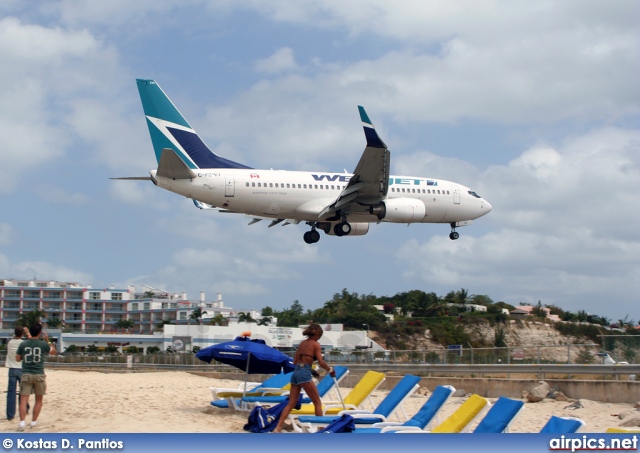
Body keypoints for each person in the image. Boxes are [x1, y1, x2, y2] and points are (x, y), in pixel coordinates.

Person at [273, 323, 334, 433]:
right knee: (317, 402)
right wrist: (330, 370)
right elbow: (321, 362)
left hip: (296, 372)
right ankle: (321, 429)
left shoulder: (302, 343)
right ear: (317, 335)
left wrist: (311, 369)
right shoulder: (316, 345)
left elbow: (296, 361)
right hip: (304, 373)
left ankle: (278, 427)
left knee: (291, 403)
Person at [15, 323, 56, 431]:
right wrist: (48, 340)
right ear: (39, 332)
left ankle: (22, 422)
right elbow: (53, 351)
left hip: (26, 374)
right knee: (39, 400)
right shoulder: (43, 344)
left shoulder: (23, 344)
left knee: (23, 400)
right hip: (39, 374)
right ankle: (33, 422)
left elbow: (18, 359)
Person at [5, 327, 29, 421]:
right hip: (21, 368)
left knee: (11, 392)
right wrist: (28, 333)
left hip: (12, 368)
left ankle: (10, 414)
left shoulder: (10, 342)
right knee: (23, 392)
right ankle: (24, 410)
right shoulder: (23, 343)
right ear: (22, 334)